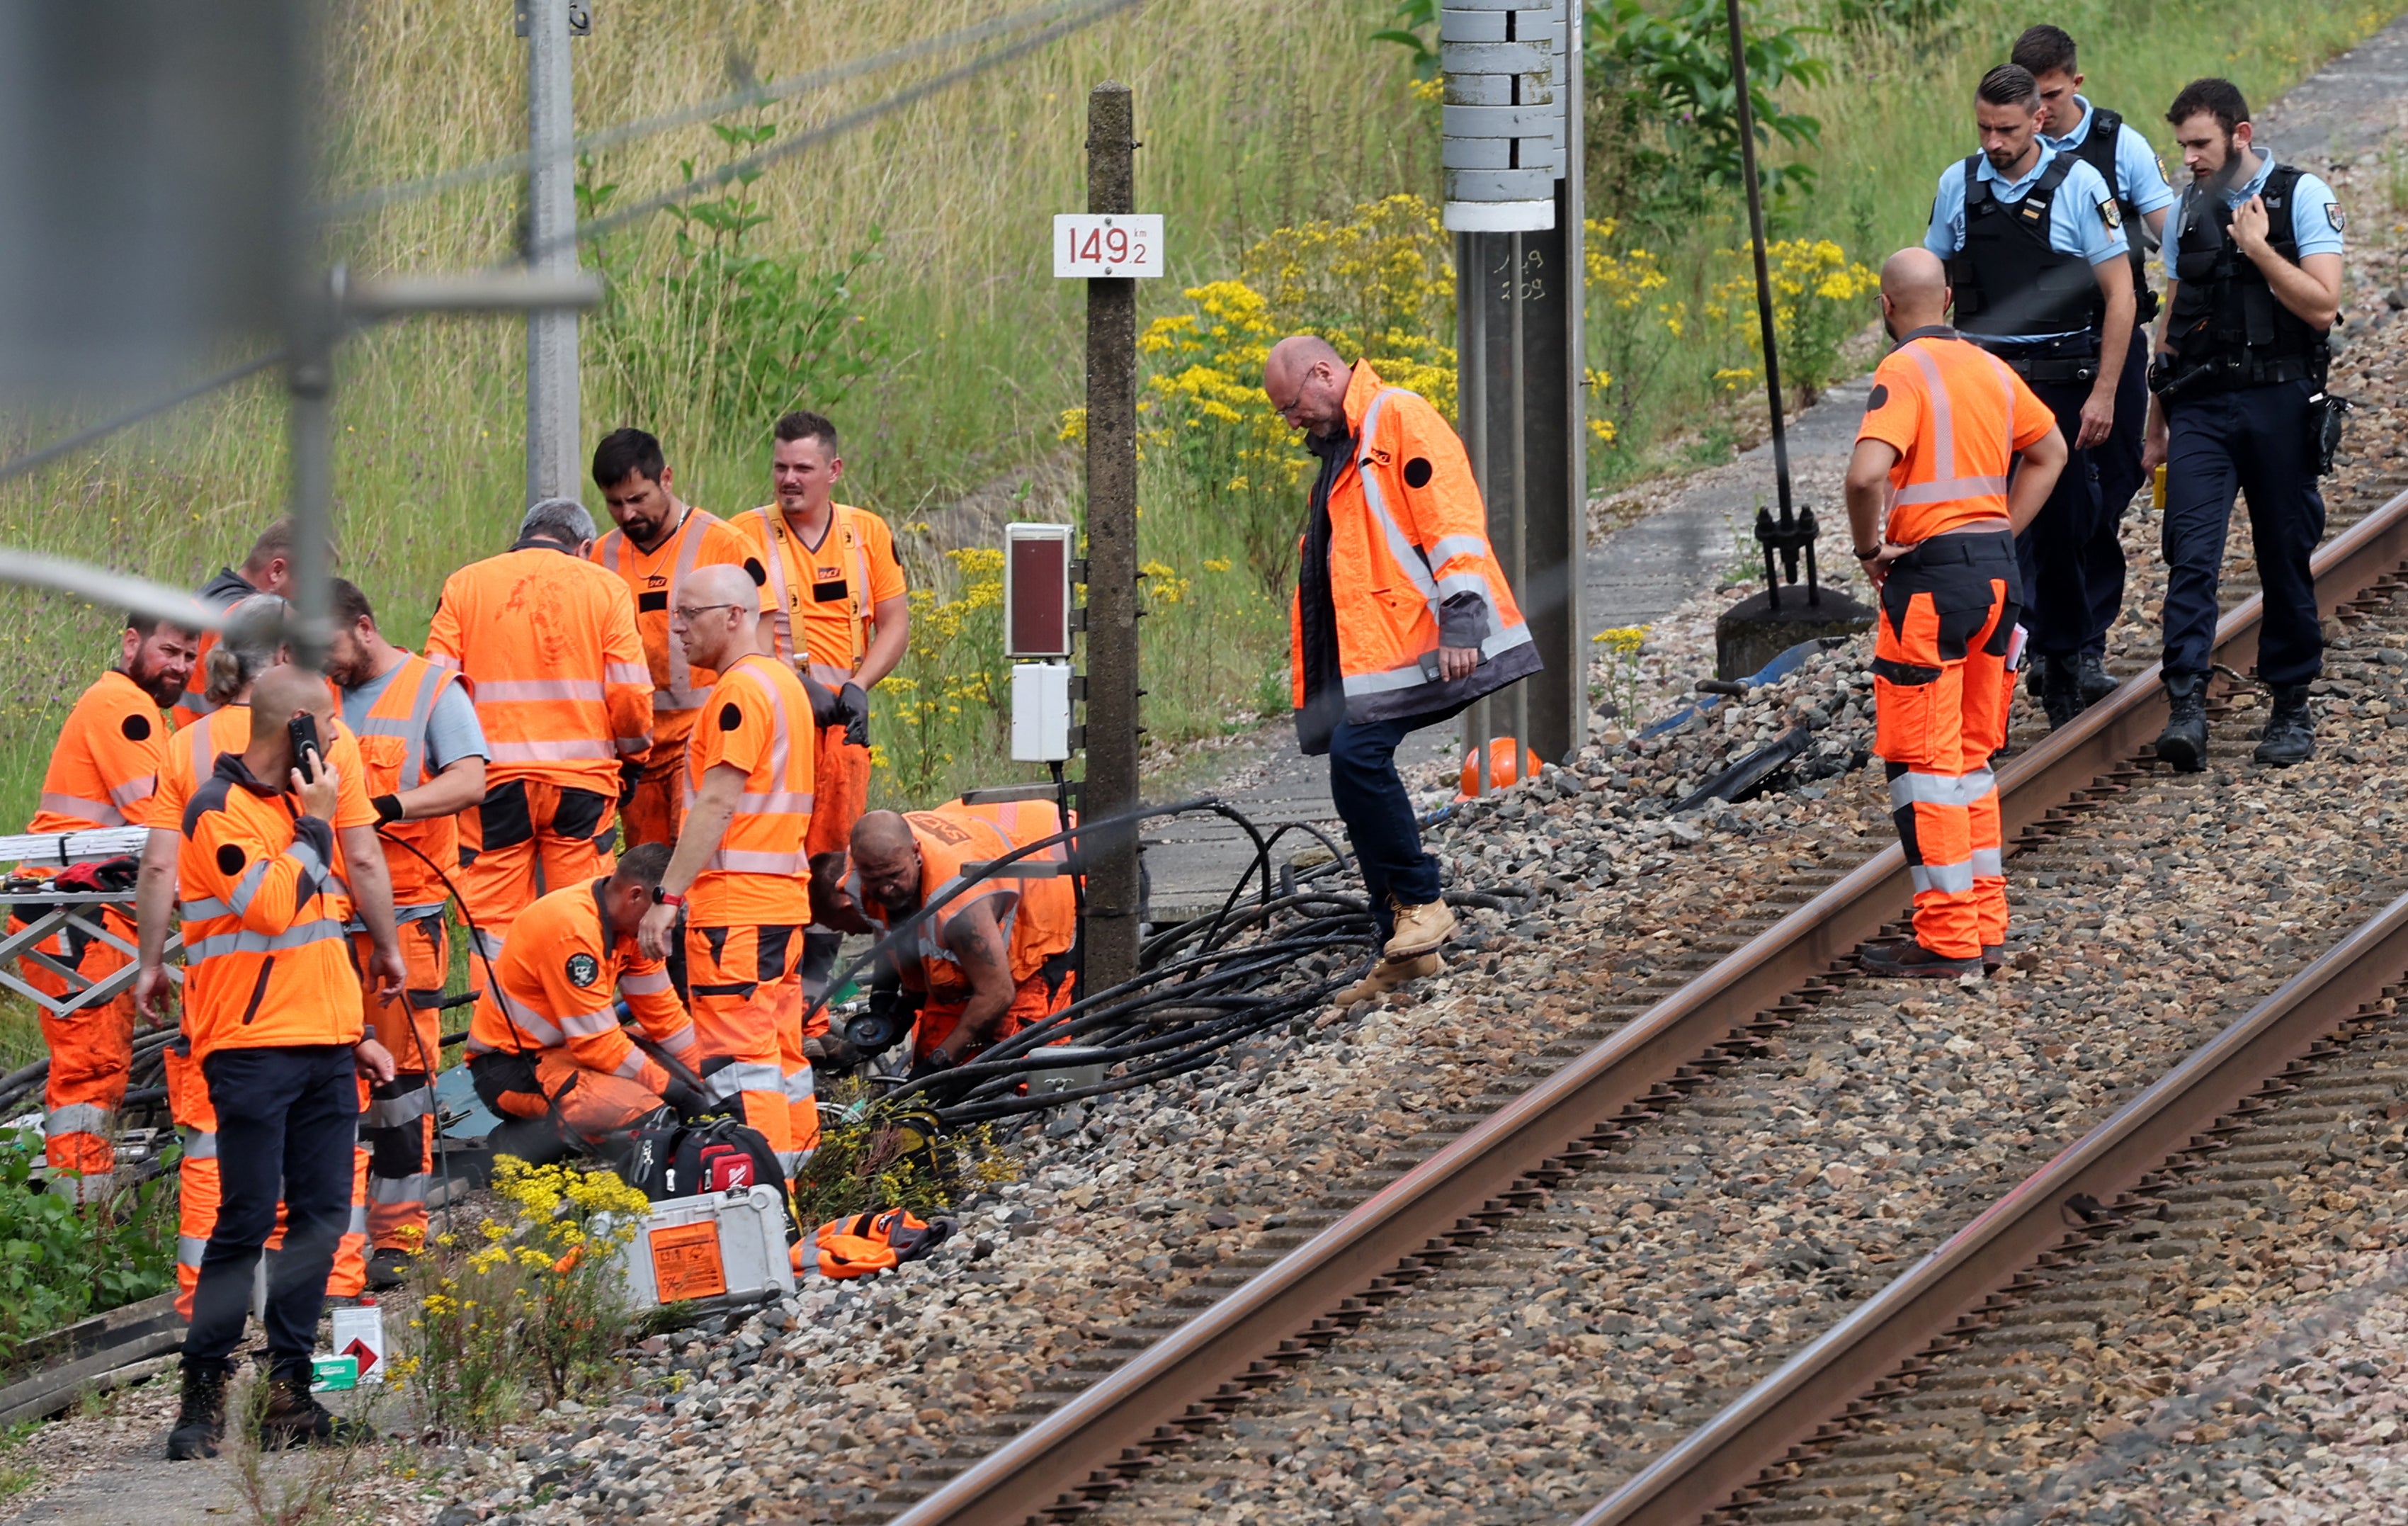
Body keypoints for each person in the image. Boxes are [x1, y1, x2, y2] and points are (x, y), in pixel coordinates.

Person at [135, 598, 402, 1313]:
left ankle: (207, 1306)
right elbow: (364, 858)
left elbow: (161, 867)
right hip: (312, 979)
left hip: (227, 992)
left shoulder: (186, 745)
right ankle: (336, 1298)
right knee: (327, 1160)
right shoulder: (323, 744)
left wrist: (150, 961)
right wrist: (387, 944)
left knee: (211, 1144)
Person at [1259, 334, 1538, 1007]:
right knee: (1351, 767)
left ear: (1325, 373)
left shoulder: (1397, 417)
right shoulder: (1347, 446)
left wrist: (1464, 616)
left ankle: (1420, 902)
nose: (1292, 422)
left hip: (1431, 641)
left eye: (1292, 406)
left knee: (1358, 759)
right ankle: (1402, 941)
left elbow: (1453, 518)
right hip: (1384, 655)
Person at [165, 666, 398, 1461]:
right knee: (244, 1220)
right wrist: (319, 825)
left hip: (326, 1049)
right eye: (328, 725)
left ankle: (289, 1397)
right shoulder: (217, 812)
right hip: (252, 1051)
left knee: (320, 1222)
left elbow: (316, 931)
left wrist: (357, 1029)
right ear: (297, 728)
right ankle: (201, 1399)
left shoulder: (302, 813)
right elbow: (267, 906)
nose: (339, 739)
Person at [1846, 249, 2069, 978]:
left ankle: (1947, 942)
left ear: (1887, 307)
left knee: (1923, 766)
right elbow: (2050, 451)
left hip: (1930, 584)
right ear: (1946, 299)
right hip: (1996, 579)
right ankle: (1985, 926)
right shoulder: (1990, 369)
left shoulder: (1902, 371)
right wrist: (2002, 528)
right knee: (1971, 760)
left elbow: (1865, 474)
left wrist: (1868, 548)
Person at [1924, 64, 2134, 729]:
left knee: (2065, 527)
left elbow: (2121, 296)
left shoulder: (2081, 185)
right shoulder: (1957, 185)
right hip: (1984, 381)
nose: (1993, 141)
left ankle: (2065, 659)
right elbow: (1930, 280)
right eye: (1983, 127)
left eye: (2006, 130)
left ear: (2038, 120)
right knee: (1984, 533)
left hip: (2060, 384)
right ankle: (1995, 667)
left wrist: (2104, 393)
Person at [2142, 78, 2344, 771]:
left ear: (2240, 135)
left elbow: (2321, 306)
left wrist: (2258, 249)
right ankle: (2187, 705)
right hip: (2199, 406)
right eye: (2182, 146)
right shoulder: (2186, 208)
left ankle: (2289, 703)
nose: (2189, 158)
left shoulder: (2301, 195)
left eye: (2199, 144)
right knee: (2189, 551)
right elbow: (2170, 322)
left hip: (2279, 402)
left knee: (2282, 551)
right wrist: (2154, 425)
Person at [322, 579, 488, 1288]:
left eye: (329, 648)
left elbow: (471, 780)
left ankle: (398, 1236)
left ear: (363, 627)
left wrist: (385, 805)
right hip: (326, 922)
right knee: (333, 1088)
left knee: (402, 1090)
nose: (323, 665)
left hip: (407, 919)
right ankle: (339, 1241)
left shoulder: (431, 690)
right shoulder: (316, 695)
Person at [634, 565, 820, 1176]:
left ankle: (761, 1204)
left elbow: (717, 802)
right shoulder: (783, 684)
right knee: (783, 1060)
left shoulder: (739, 693)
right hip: (781, 905)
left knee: (742, 1067)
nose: (676, 628)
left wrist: (667, 896)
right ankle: (798, 1186)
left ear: (735, 616)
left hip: (735, 913)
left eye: (690, 614)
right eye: (675, 614)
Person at [2016, 25, 2181, 703]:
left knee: (2104, 493)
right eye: (2032, 100)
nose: (2042, 113)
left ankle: (2081, 638)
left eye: (2051, 97)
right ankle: (2051, 641)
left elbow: (2172, 232)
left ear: (2074, 84)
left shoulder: (2121, 145)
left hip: (2110, 342)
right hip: (2035, 359)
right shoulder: (2003, 155)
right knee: (2033, 499)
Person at [13, 612, 199, 1197]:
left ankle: (80, 1218)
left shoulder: (122, 705)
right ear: (130, 643)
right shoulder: (127, 709)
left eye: (190, 657)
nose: (181, 667)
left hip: (78, 910)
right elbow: (162, 825)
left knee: (93, 1069)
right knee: (90, 1070)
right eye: (170, 651)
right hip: (77, 914)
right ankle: (79, 1222)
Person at [730, 411, 908, 1010]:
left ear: (833, 470)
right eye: (780, 467)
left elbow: (894, 624)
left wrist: (858, 685)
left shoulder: (866, 534)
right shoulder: (745, 535)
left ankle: (814, 1000)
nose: (789, 479)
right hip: (778, 731)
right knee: (774, 859)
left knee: (834, 866)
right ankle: (769, 994)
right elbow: (745, 634)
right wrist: (788, 685)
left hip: (843, 734)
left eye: (803, 468)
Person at [424, 497, 652, 957]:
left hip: (492, 786)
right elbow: (629, 695)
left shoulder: (466, 585)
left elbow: (436, 686)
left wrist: (451, 771)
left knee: (495, 924)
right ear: (584, 547)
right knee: (582, 912)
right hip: (582, 786)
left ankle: (499, 1023)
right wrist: (633, 759)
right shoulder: (606, 588)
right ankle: (577, 1020)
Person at [586, 427, 773, 849]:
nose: (628, 514)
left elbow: (762, 643)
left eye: (638, 499)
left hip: (703, 739)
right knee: (645, 873)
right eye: (615, 504)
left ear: (666, 480)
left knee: (697, 867)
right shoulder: (600, 557)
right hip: (639, 750)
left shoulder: (724, 543)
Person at [464, 844, 705, 1161]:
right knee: (644, 1109)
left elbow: (666, 1019)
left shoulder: (633, 929)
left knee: (664, 1069)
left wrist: (706, 1080)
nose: (668, 924)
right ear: (636, 896)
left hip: (566, 1052)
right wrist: (677, 1092)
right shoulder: (572, 930)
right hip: (510, 1067)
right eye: (667, 912)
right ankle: (520, 1145)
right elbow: (597, 1046)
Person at [841, 798, 1079, 1075]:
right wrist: (886, 999)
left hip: (1034, 940)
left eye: (894, 875)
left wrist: (942, 1060)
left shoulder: (959, 905)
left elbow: (998, 993)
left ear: (916, 853)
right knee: (931, 1068)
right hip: (972, 956)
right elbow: (887, 926)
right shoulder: (867, 864)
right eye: (874, 879)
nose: (884, 890)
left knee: (1016, 1076)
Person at [173, 519, 317, 729]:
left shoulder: (204, 599)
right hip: (234, 748)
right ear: (276, 571)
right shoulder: (252, 618)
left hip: (192, 746)